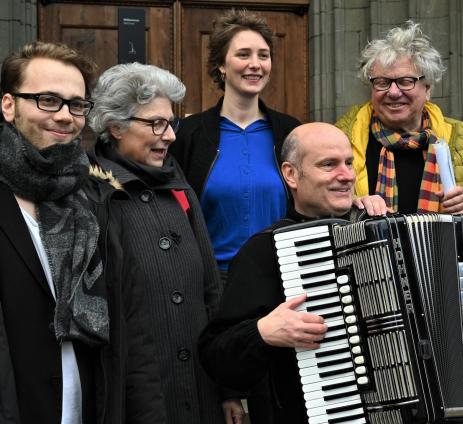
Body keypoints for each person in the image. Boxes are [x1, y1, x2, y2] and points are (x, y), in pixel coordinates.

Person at [199, 122, 463, 423]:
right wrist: (262, 332)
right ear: (291, 175)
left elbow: (444, 316)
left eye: (349, 163)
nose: (346, 175)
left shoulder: (389, 229)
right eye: (328, 165)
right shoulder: (265, 252)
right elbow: (217, 357)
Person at [0, 42, 164, 423]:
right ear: (9, 104)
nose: (66, 116)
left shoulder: (98, 203)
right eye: (48, 100)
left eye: (77, 104)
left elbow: (134, 339)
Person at [169, 9, 301, 422]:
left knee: (275, 401)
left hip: (278, 282)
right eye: (243, 54)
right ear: (220, 65)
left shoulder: (288, 131)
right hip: (212, 286)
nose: (255, 64)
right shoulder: (189, 135)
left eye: (263, 54)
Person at [88, 63, 224, 424]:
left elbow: (211, 291)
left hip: (201, 390)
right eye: (156, 124)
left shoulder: (179, 187)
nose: (170, 136)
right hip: (136, 397)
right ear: (115, 126)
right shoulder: (92, 193)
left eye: (171, 123)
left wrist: (227, 391)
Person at [336, 21, 463, 219]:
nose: (393, 92)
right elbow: (314, 198)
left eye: (406, 82)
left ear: (428, 88)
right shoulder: (343, 135)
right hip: (369, 249)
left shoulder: (459, 135)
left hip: (442, 248)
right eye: (382, 82)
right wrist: (352, 203)